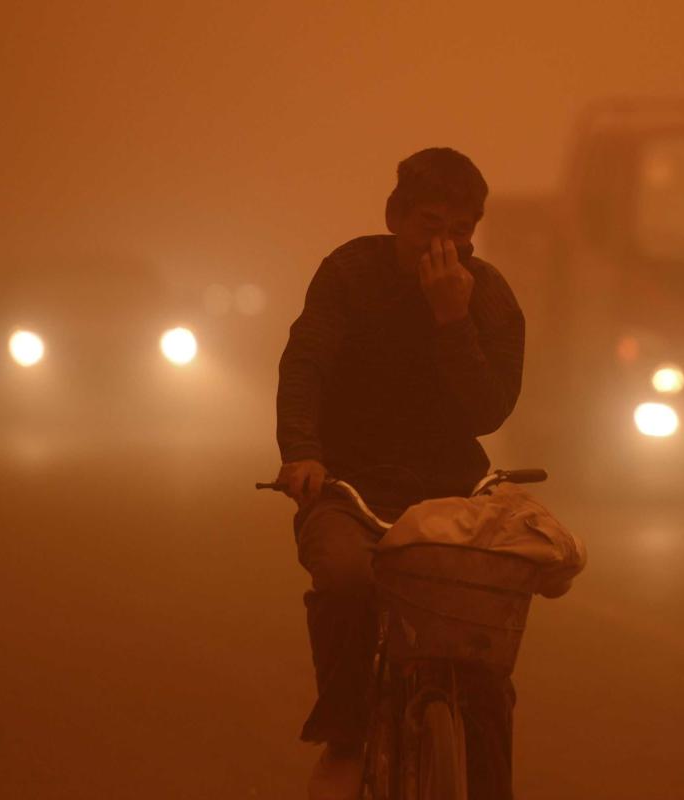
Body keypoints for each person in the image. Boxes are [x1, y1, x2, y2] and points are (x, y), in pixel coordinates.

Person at [275, 147, 525, 800]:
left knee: (485, 654)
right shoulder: (349, 273)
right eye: (429, 224)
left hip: (451, 494)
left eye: (461, 230)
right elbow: (306, 363)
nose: (444, 244)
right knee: (346, 580)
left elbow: (489, 410)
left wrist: (452, 320)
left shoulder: (489, 295)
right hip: (348, 487)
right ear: (394, 217)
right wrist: (302, 451)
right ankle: (344, 734)